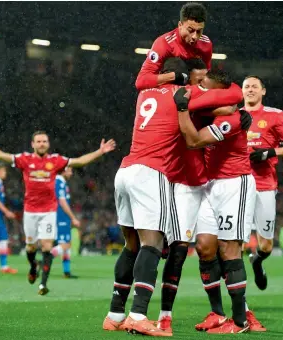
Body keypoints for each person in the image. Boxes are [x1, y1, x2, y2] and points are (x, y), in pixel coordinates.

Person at [102, 58, 249, 336]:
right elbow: (232, 94)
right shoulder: (181, 94)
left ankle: (114, 314)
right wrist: (235, 110)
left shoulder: (146, 93)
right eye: (195, 80)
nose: (199, 85)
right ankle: (138, 315)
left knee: (130, 245)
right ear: (181, 77)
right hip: (152, 172)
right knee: (153, 244)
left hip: (125, 169)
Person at [156, 64, 252, 335]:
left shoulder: (231, 119)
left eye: (207, 88)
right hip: (209, 185)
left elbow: (194, 141)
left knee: (229, 249)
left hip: (234, 184)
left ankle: (240, 321)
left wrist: (183, 108)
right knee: (205, 247)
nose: (202, 92)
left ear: (220, 92)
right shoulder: (213, 111)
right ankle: (218, 314)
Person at [0, 131, 116, 295]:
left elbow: (78, 162)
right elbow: (3, 156)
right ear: (33, 144)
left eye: (44, 141)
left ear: (48, 144)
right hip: (30, 211)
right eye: (38, 141)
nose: (42, 144)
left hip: (49, 212)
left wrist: (99, 152)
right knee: (30, 247)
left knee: (47, 246)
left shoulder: (55, 161)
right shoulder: (25, 159)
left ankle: (43, 284)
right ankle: (33, 266)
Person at [242, 76, 283, 290]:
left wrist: (270, 152)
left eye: (254, 87)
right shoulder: (232, 115)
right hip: (238, 184)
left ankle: (258, 261)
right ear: (241, 92)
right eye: (246, 87)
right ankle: (239, 296)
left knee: (266, 245)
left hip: (265, 184)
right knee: (234, 241)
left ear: (263, 91)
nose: (250, 90)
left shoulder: (275, 115)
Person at [135, 2, 212, 90]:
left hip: (192, 93)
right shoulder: (163, 44)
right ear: (180, 25)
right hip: (166, 93)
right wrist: (174, 76)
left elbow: (207, 76)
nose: (195, 36)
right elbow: (141, 81)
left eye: (199, 31)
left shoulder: (206, 44)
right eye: (190, 30)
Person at [51, 167, 80, 278]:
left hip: (63, 217)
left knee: (66, 246)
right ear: (63, 170)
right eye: (69, 170)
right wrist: (73, 217)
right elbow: (62, 202)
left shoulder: (61, 183)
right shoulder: (59, 182)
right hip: (61, 217)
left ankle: (67, 271)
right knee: (65, 244)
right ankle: (46, 259)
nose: (71, 172)